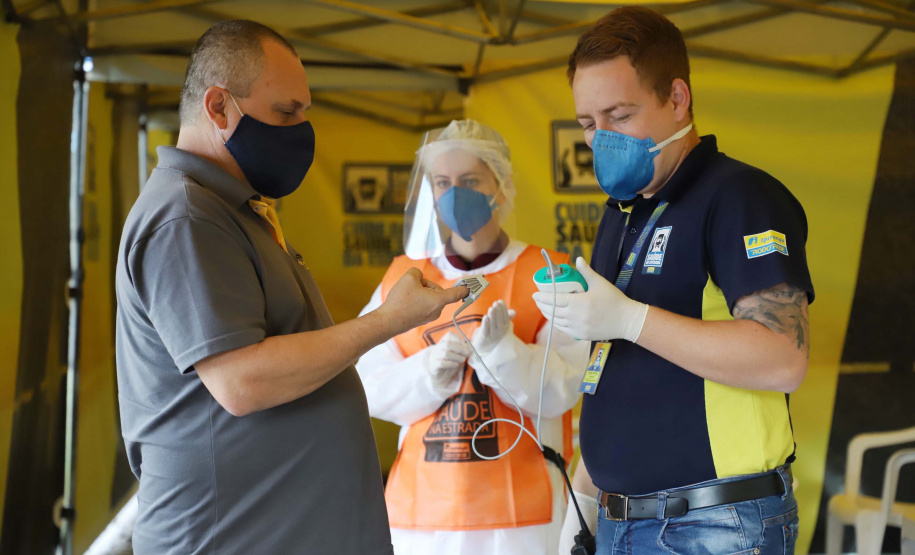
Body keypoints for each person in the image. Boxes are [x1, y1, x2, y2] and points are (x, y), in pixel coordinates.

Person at [114, 20, 466, 554]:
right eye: (286, 113)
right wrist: (388, 322)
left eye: (304, 111)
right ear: (218, 108)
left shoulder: (236, 211)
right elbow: (242, 381)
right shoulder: (185, 218)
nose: (301, 129)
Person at [536, 7, 814, 555]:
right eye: (589, 124)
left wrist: (628, 318)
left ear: (677, 98)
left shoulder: (737, 196)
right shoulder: (623, 210)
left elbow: (784, 357)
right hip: (622, 518)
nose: (601, 139)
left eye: (619, 115)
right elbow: (614, 373)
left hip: (714, 522)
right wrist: (585, 506)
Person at [356, 119, 588, 555]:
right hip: (422, 517)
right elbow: (366, 385)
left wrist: (507, 356)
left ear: (500, 186)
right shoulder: (404, 280)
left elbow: (566, 388)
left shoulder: (551, 275)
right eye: (442, 182)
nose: (453, 193)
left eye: (470, 180)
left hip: (522, 521)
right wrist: (429, 371)